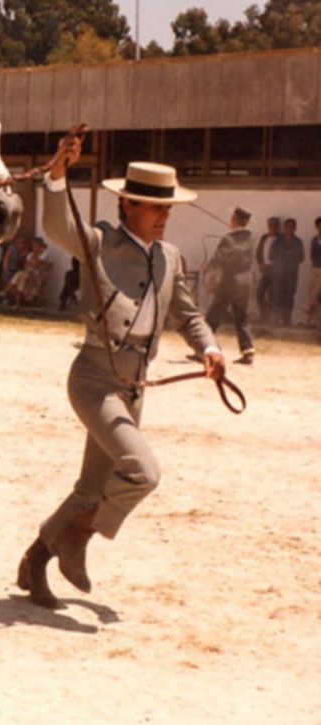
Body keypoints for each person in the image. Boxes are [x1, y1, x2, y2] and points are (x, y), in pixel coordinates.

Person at [16, 137, 225, 610]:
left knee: (91, 487)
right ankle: (79, 537)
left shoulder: (169, 257)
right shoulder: (99, 242)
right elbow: (56, 224)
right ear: (127, 203)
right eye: (153, 205)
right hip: (94, 378)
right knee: (143, 472)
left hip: (135, 387)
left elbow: (188, 315)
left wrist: (209, 348)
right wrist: (56, 175)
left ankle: (36, 559)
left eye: (167, 206)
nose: (164, 215)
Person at [202, 206, 256, 364]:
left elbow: (219, 258)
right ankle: (248, 351)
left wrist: (207, 267)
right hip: (246, 281)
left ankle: (203, 348)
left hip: (230, 281)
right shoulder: (252, 236)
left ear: (234, 220)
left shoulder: (228, 239)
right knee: (242, 317)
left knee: (213, 314)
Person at [270, 218, 305, 326]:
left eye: (292, 227)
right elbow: (271, 255)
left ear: (295, 228)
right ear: (284, 228)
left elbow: (301, 257)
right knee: (277, 296)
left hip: (291, 274)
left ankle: (287, 320)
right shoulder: (277, 241)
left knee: (289, 296)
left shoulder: (298, 242)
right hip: (279, 273)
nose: (289, 229)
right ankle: (275, 319)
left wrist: (290, 262)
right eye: (287, 226)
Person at [2, 237, 52, 307]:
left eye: (36, 246)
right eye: (33, 246)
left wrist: (34, 259)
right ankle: (16, 300)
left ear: (40, 246)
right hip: (29, 273)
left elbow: (36, 265)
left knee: (23, 276)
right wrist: (32, 262)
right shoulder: (30, 254)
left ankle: (7, 291)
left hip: (39, 274)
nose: (34, 248)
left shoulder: (45, 254)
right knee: (21, 275)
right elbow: (26, 266)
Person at [255, 216, 280, 324]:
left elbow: (282, 256)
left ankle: (270, 318)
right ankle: (263, 314)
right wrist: (260, 263)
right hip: (265, 269)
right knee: (259, 293)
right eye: (270, 225)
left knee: (273, 295)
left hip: (276, 270)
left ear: (277, 227)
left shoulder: (280, 239)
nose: (272, 227)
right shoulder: (264, 238)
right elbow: (258, 252)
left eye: (274, 225)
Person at [308, 216, 321, 326]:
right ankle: (312, 321)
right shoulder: (314, 239)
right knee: (312, 292)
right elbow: (312, 254)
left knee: (316, 294)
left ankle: (313, 321)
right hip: (315, 268)